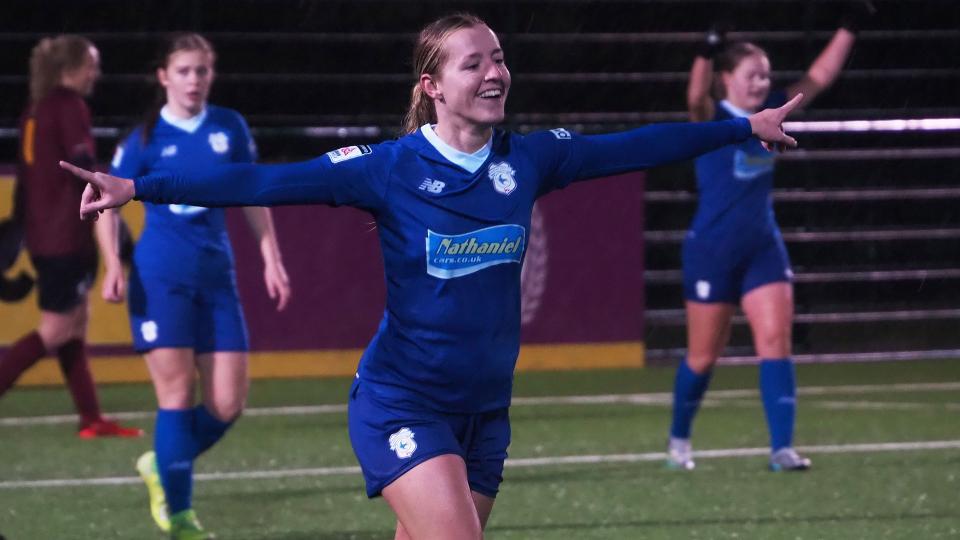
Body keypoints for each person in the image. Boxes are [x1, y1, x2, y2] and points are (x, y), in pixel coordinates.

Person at [65, 13, 802, 539]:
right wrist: (140, 187)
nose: (495, 71)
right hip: (402, 402)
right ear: (434, 86)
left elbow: (638, 145)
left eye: (499, 57)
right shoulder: (389, 169)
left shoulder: (531, 159)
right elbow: (262, 180)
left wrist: (742, 125)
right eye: (473, 62)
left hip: (485, 412)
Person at [103, 33, 291, 539]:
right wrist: (111, 264)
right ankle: (181, 516)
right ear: (164, 76)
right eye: (184, 71)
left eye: (202, 71)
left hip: (217, 276)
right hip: (161, 276)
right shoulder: (143, 137)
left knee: (228, 402)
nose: (194, 80)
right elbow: (106, 196)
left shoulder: (229, 127)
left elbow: (252, 190)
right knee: (177, 394)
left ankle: (161, 464)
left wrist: (270, 256)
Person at [666, 19, 864, 472]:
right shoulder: (712, 119)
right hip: (711, 251)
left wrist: (850, 26)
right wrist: (704, 49)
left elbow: (818, 77)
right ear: (726, 79)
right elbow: (693, 98)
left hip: (762, 247)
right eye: (752, 75)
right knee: (702, 356)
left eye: (766, 75)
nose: (762, 83)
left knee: (775, 340)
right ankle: (679, 441)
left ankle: (782, 449)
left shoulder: (773, 113)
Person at [0, 35, 143, 439]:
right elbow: (84, 169)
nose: (95, 72)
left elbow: (28, 179)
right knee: (56, 329)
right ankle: (90, 418)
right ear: (69, 70)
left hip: (45, 234)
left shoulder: (34, 110)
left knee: (75, 325)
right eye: (90, 65)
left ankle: (91, 418)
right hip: (65, 235)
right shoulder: (69, 107)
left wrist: (20, 228)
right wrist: (114, 218)